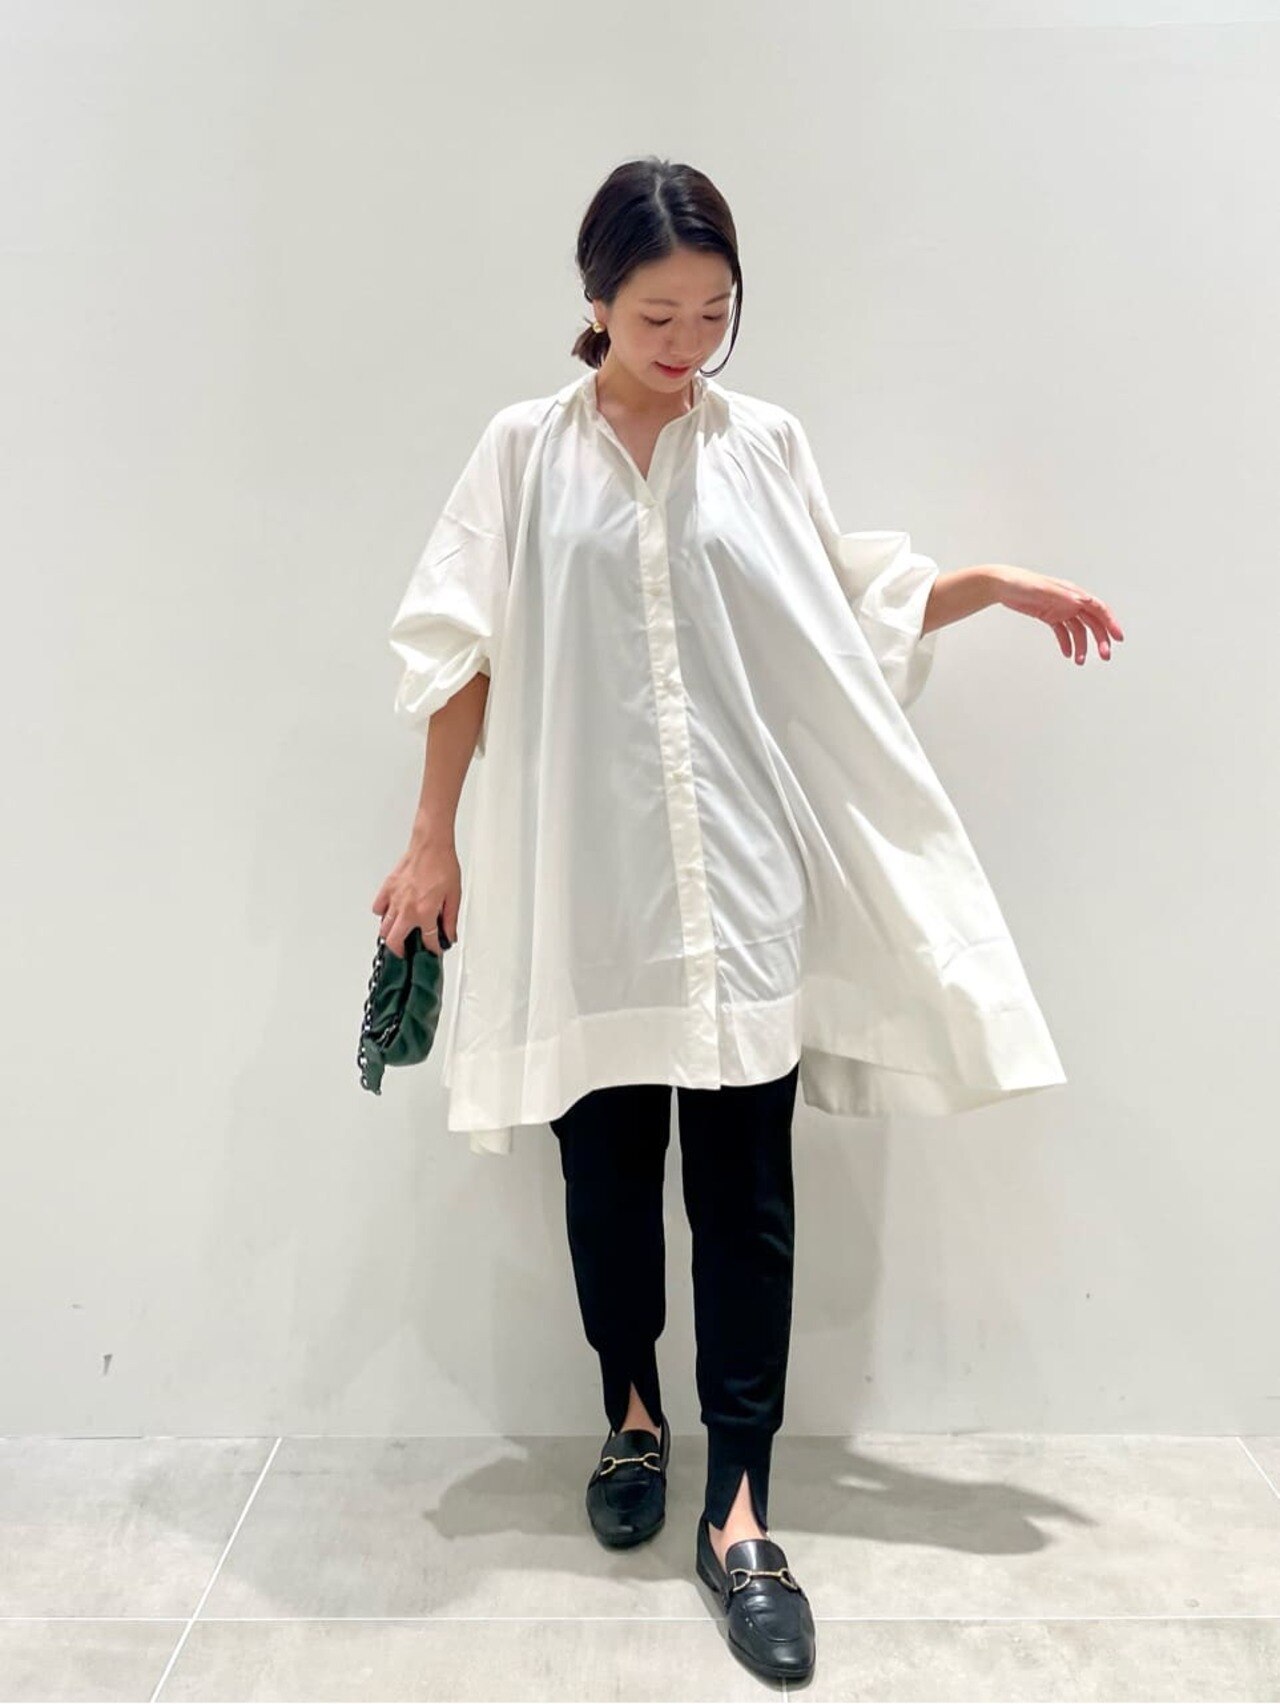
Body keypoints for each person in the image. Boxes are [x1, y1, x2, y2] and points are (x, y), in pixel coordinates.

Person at [371, 156, 1124, 1688]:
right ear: (595, 302)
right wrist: (431, 837)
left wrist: (990, 584)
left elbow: (838, 610)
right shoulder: (520, 455)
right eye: (658, 314)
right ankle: (631, 1414)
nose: (689, 342)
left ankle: (741, 1512)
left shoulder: (763, 444)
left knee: (747, 1205)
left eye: (714, 313)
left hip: (741, 895)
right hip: (590, 896)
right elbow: (459, 649)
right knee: (603, 1185)